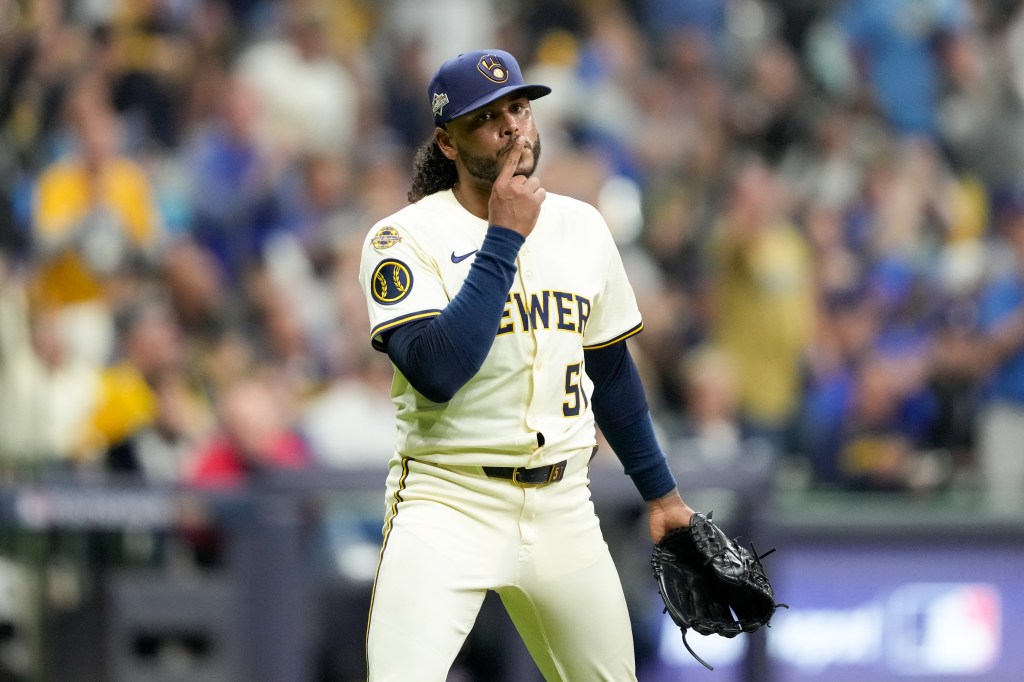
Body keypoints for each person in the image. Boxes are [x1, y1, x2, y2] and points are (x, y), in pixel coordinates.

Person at [357, 48, 695, 681]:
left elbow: (613, 373)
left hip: (564, 503)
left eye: (519, 107)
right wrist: (504, 237)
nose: (513, 126)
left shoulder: (582, 226)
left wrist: (663, 497)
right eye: (487, 117)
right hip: (447, 501)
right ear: (447, 142)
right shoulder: (401, 239)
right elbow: (437, 372)